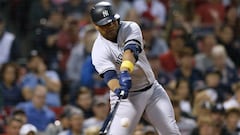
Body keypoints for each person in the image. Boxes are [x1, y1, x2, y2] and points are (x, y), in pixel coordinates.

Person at [90, 1, 180, 135]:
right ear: (96, 26)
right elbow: (109, 76)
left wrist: (125, 70)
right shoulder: (99, 50)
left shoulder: (130, 27)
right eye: (105, 25)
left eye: (112, 22)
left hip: (152, 91)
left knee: (170, 131)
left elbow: (131, 50)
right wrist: (117, 89)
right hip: (128, 98)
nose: (110, 26)